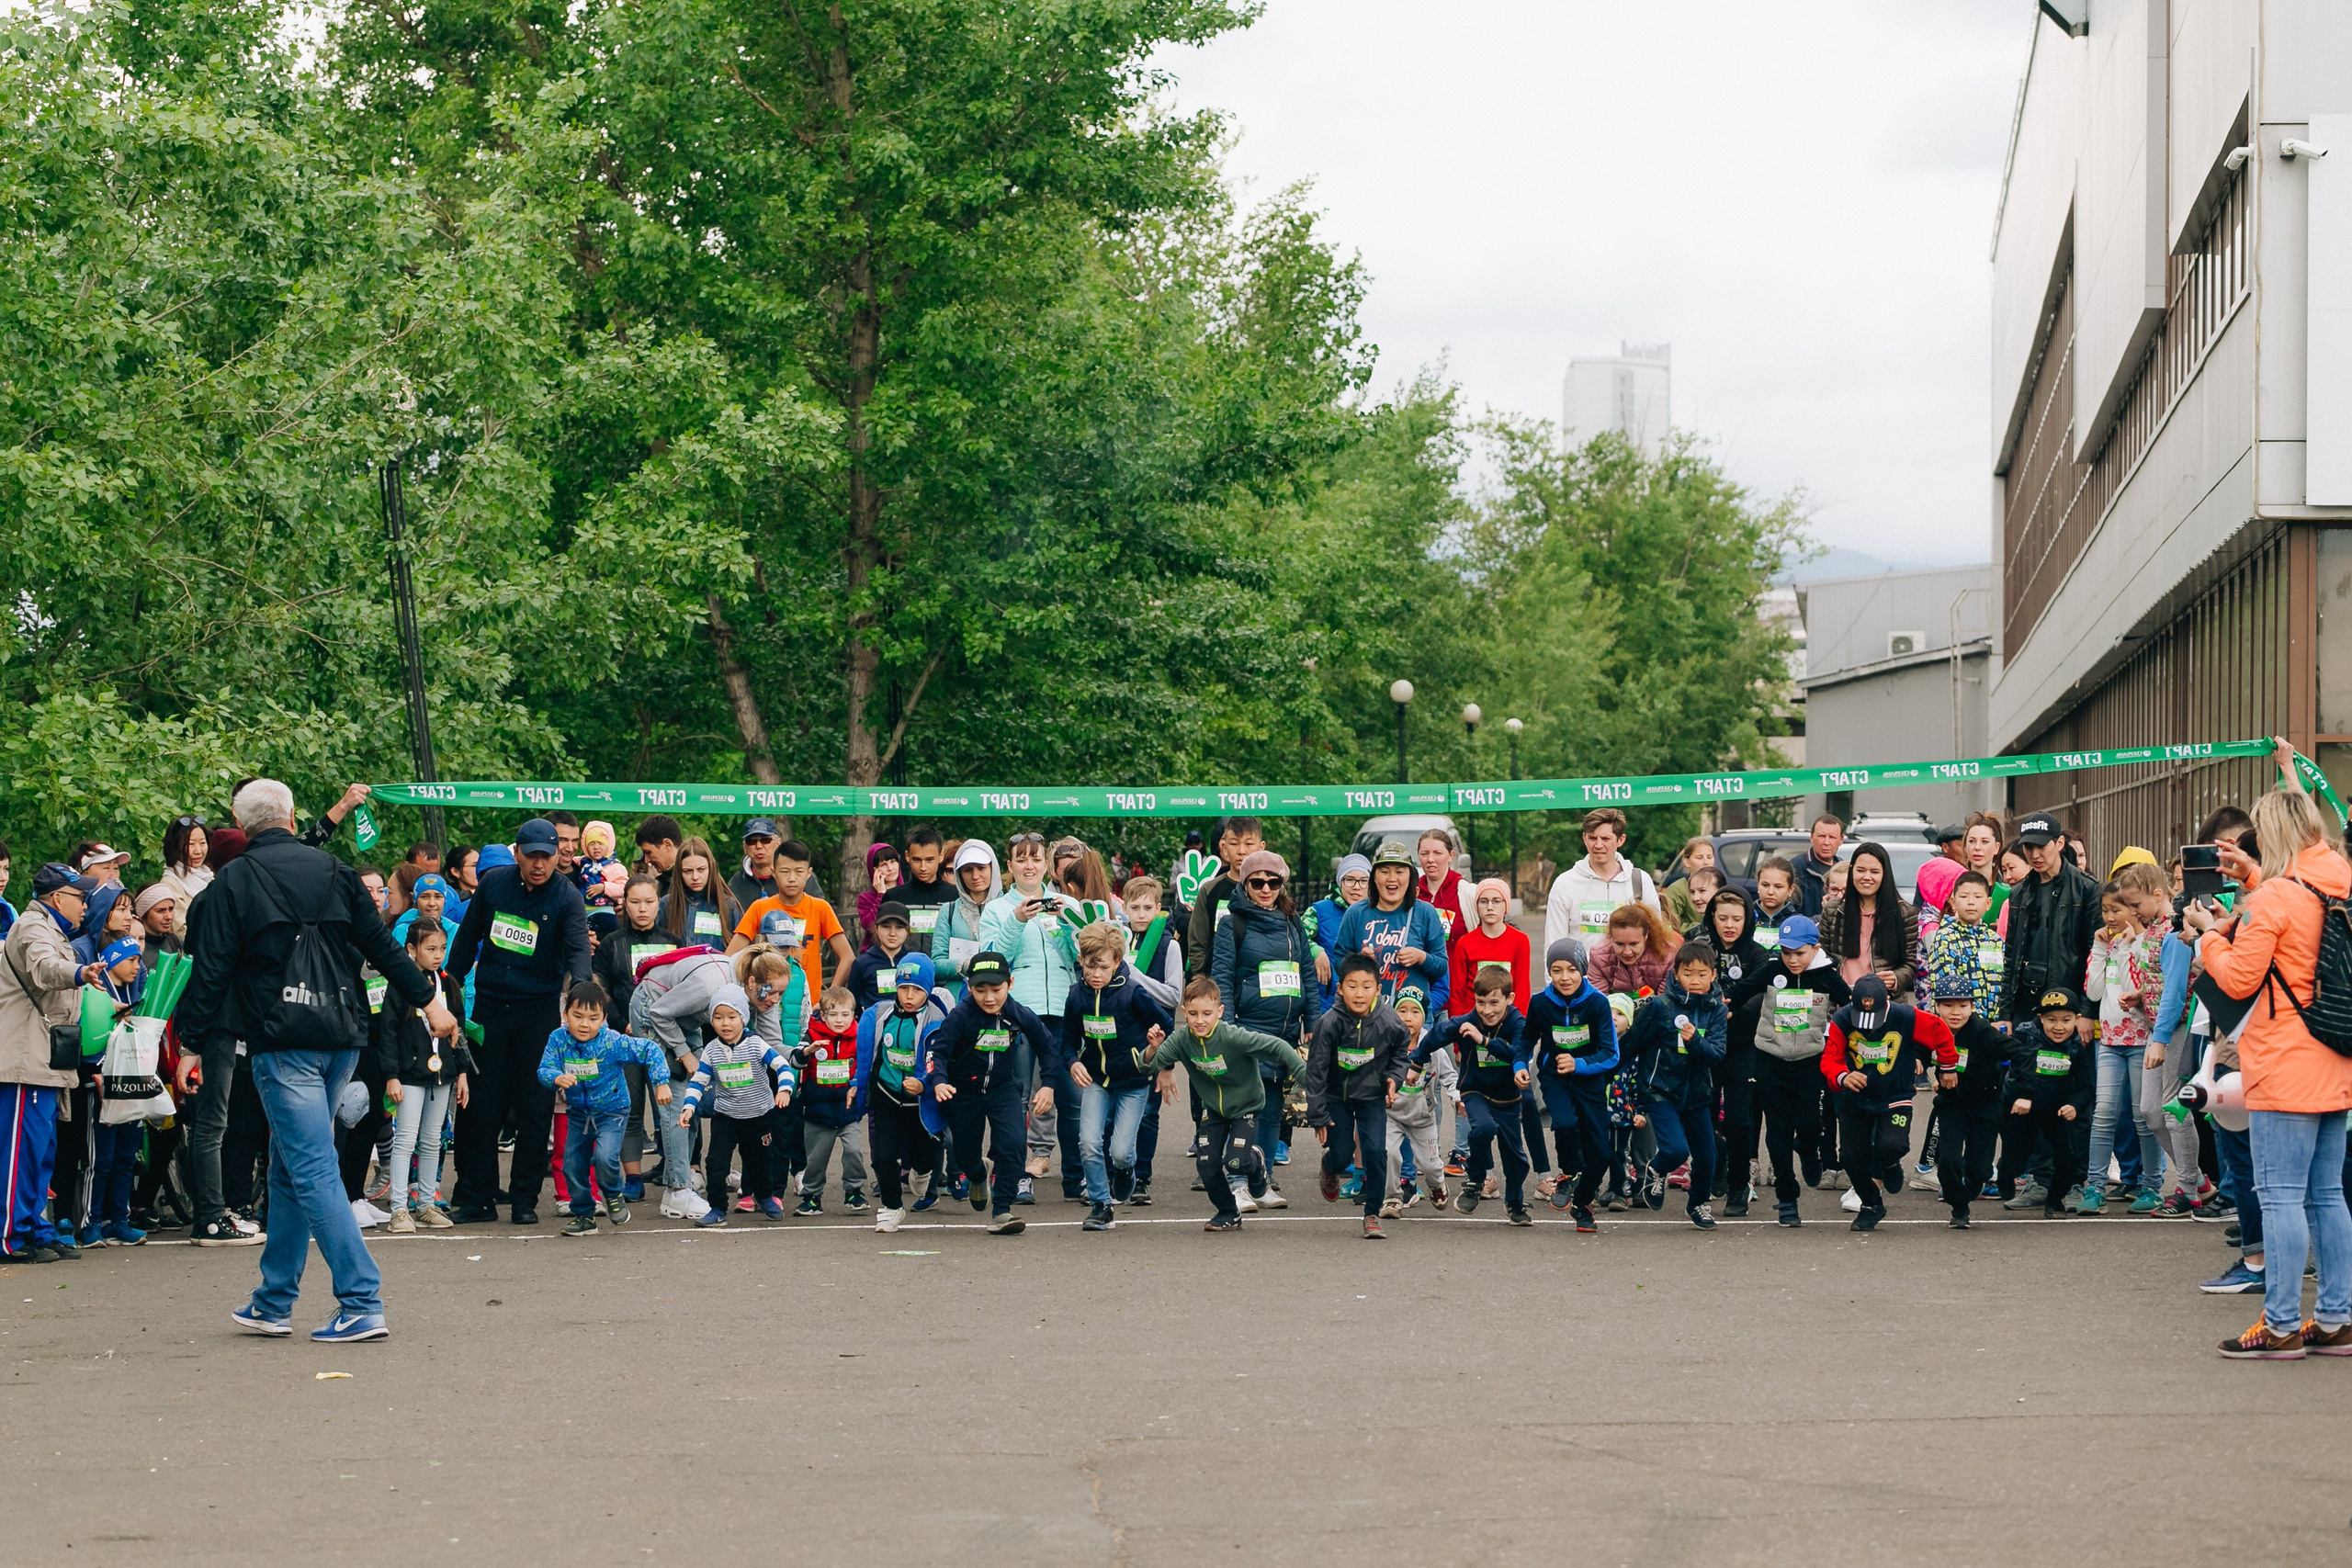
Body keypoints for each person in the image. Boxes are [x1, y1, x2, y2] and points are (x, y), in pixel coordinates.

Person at [178, 780, 457, 1341]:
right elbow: (381, 946)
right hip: (342, 1037)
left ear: (238, 819)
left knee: (310, 1166)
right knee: (290, 1166)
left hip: (282, 1043)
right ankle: (274, 1299)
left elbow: (209, 972)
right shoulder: (334, 872)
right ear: (291, 815)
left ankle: (361, 1300)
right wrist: (431, 1001)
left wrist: (190, 1042)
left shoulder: (233, 881)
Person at [2187, 790, 2352, 1359]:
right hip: (2336, 1052)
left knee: (2280, 1194)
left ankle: (2280, 1324)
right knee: (2328, 1194)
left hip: (2284, 1059)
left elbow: (2236, 980)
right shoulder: (2339, 882)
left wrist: (2207, 936)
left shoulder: (2273, 899)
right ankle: (2336, 1318)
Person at [445, 817, 592, 1225]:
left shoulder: (566, 897)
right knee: (481, 1107)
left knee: (533, 1106)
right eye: (532, 857)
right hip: (490, 1010)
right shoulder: (493, 885)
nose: (540, 864)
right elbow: (467, 938)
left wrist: (580, 996)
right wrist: (447, 990)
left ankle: (525, 1199)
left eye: (547, 856)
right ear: (518, 854)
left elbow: (578, 950)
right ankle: (478, 1196)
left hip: (537, 1013)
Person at [0, 866, 113, 1263]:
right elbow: (46, 969)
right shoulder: (33, 927)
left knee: (41, 1150)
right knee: (19, 1153)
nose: (85, 904)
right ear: (57, 898)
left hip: (42, 1059)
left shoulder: (53, 928)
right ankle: (9, 1237)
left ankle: (35, 1229)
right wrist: (80, 972)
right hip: (22, 1058)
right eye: (79, 896)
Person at [1141, 976, 1306, 1233]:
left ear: (1219, 1012)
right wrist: (1152, 1049)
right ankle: (1228, 1212)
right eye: (1193, 1013)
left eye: (1207, 1013)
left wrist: (1308, 1079)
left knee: (1236, 1162)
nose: (1199, 1020)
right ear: (1183, 1012)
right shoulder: (1181, 1039)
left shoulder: (1234, 1037)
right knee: (1206, 1165)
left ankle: (1256, 1159)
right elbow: (1148, 1067)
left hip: (1246, 1106)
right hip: (1214, 1109)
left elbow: (1280, 1047)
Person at [1208, 850, 1320, 1212]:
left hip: (1286, 1033)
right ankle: (1238, 1182)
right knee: (1246, 1110)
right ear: (1246, 884)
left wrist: (1314, 1023)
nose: (1266, 888)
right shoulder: (1232, 923)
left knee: (1272, 1111)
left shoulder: (1292, 923)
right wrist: (1227, 1027)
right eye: (1258, 882)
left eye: (1273, 882)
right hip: (1248, 1030)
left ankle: (1264, 1181)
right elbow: (1221, 975)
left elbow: (1307, 975)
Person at [976, 833, 1084, 1201]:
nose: (1029, 865)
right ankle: (1014, 1176)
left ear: (1047, 865)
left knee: (1071, 1098)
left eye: (1035, 859)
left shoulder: (1067, 902)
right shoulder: (997, 910)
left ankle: (1076, 1177)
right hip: (1018, 1013)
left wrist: (1068, 923)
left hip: (1064, 1010)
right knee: (1017, 1096)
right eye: (1021, 859)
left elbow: (1080, 957)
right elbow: (991, 960)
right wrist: (1017, 921)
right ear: (1009, 867)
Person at [922, 950, 1058, 1235]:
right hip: (963, 1093)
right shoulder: (961, 1016)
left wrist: (1048, 1085)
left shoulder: (1018, 1013)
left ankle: (1003, 1211)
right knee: (965, 1156)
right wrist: (938, 1081)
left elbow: (1047, 1046)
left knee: (1013, 1145)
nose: (989, 998)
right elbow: (938, 1052)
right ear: (969, 987)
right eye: (980, 990)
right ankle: (977, 1175)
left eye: (996, 989)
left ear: (1010, 983)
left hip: (1002, 1089)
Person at [1820, 974, 1956, 1233]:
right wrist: (1843, 1076)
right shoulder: (1841, 1019)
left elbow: (1941, 1033)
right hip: (1856, 1097)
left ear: (1888, 1001)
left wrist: (1947, 1067)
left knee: (1891, 1145)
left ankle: (1890, 1164)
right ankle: (1871, 1204)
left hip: (1895, 1094)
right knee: (1850, 1156)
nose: (1869, 1027)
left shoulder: (1907, 1016)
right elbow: (1830, 1060)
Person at [1061, 921, 1174, 1230]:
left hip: (1133, 1082)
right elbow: (1067, 1041)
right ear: (1081, 961)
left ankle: (1126, 1170)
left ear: (1117, 963)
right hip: (1097, 1080)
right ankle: (1100, 1204)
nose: (1096, 974)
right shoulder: (1076, 996)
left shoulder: (1132, 993)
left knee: (1121, 1152)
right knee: (1088, 1142)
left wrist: (1158, 1049)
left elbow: (1167, 1025)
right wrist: (1073, 1062)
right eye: (1090, 965)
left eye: (1104, 966)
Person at [537, 979, 667, 1236]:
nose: (585, 1024)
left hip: (612, 1111)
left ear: (604, 1018)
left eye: (593, 1018)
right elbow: (544, 1068)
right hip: (578, 1113)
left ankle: (612, 1193)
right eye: (577, 1016)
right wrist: (555, 1077)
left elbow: (650, 1049)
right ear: (566, 1014)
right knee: (572, 1166)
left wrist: (661, 1082)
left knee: (605, 1158)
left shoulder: (612, 1042)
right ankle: (584, 1215)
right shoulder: (558, 1039)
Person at [1302, 953, 1414, 1239]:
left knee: (1376, 1153)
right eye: (1352, 986)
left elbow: (1402, 1049)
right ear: (1339, 989)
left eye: (1367, 986)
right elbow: (1315, 1071)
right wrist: (1318, 1114)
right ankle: (1328, 1168)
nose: (1359, 993)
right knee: (1340, 1155)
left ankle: (1372, 1214)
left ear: (1378, 989)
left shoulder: (1389, 1021)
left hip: (1371, 1097)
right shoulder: (1329, 1023)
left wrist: (1394, 1078)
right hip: (1336, 1098)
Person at [374, 921, 472, 1234]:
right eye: (430, 949)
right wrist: (391, 1075)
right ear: (411, 950)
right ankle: (400, 1208)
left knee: (432, 1140)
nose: (438, 955)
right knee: (405, 1141)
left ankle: (427, 1203)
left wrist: (462, 1073)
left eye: (442, 948)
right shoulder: (401, 986)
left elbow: (459, 1032)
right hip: (408, 1075)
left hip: (442, 1074)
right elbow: (387, 1033)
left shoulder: (449, 985)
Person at [1623, 941, 1729, 1229]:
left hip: (1696, 1093)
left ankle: (1697, 1204)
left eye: (1701, 974)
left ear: (1713, 975)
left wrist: (1695, 1040)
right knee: (1676, 1151)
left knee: (1708, 1155)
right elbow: (1631, 1044)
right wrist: (1606, 1074)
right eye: (1687, 973)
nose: (1694, 981)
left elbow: (1716, 1054)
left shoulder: (1717, 1011)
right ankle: (1655, 1170)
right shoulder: (1660, 1006)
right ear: (1676, 974)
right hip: (1660, 1089)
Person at [1415, 968, 1532, 1225]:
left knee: (1517, 1159)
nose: (1487, 1010)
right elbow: (1435, 1035)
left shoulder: (1517, 1023)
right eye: (1481, 1002)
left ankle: (1514, 1203)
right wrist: (1416, 1061)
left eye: (1494, 1002)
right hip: (1475, 1090)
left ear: (1509, 998)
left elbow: (1518, 1053)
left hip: (1508, 1097)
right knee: (1482, 1128)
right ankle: (1475, 1180)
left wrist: (1485, 1041)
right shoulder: (1467, 1021)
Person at [673, 984, 797, 1225]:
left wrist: (784, 1089)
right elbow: (699, 1081)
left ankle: (765, 1197)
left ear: (743, 1017)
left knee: (760, 1162)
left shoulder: (756, 1044)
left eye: (731, 1017)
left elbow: (783, 1067)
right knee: (716, 1163)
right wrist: (688, 1107)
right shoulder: (711, 1050)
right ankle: (717, 1208)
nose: (725, 1024)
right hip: (726, 1118)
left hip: (759, 1116)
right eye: (718, 1018)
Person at [2078, 873, 2165, 1214]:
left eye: (2119, 909)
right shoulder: (2107, 945)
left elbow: (2141, 981)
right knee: (2103, 1115)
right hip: (2110, 1041)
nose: (2111, 917)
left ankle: (2153, 1186)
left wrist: (2135, 942)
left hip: (2142, 1041)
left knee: (2142, 1115)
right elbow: (2094, 991)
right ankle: (2095, 1187)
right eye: (2106, 911)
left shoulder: (2144, 942)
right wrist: (2101, 948)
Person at [1756, 915, 1850, 1224]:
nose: (1792, 960)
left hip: (1812, 1060)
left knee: (1811, 1125)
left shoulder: (1826, 975)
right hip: (1772, 1059)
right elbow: (1739, 993)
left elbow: (1850, 1004)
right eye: (1786, 952)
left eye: (1799, 953)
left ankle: (1809, 1152)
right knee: (1778, 1132)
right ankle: (1787, 1198)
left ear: (1815, 948)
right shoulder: (1772, 971)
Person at [855, 952, 952, 1232]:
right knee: (883, 1156)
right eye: (904, 988)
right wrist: (856, 1087)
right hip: (887, 1095)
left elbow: (940, 1060)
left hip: (921, 1102)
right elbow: (865, 1057)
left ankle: (923, 1171)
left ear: (929, 990)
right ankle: (892, 1206)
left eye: (918, 990)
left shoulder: (938, 1020)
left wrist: (923, 1082)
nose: (909, 996)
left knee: (923, 1156)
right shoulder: (878, 1015)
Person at [1996, 987, 2095, 1221]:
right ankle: (2004, 1174)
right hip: (2019, 1108)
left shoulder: (2077, 1047)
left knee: (2067, 1158)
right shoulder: (2024, 1035)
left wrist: (2075, 1105)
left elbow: (2086, 1086)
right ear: (2040, 1018)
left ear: (2077, 1020)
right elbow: (2005, 1064)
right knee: (2017, 1158)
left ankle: (2054, 1201)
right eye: (2051, 1020)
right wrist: (2019, 1096)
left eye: (2066, 1020)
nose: (2058, 1027)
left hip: (2054, 1110)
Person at [1703, 888, 1774, 1215]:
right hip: (1704, 1045)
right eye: (1722, 918)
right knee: (1701, 1114)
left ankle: (1737, 1187)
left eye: (1736, 918)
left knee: (1738, 1119)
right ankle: (1714, 1164)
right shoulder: (1699, 949)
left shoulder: (1758, 955)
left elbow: (1764, 997)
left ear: (1747, 919)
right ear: (1712, 918)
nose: (1729, 925)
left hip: (1743, 1045)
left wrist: (1737, 1011)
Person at [2001, 812, 2101, 1032]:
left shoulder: (2086, 888)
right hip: (2026, 1000)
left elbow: (2096, 953)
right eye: (2028, 848)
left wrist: (2086, 1011)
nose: (2035, 855)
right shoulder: (2019, 892)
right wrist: (2005, 1014)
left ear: (2059, 843)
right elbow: (2011, 955)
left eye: (2042, 846)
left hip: (2068, 1002)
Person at [729, 839, 853, 1010]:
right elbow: (731, 956)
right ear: (773, 872)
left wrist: (827, 998)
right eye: (785, 871)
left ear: (809, 873)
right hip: (765, 1005)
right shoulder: (760, 907)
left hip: (809, 1007)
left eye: (799, 871)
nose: (792, 878)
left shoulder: (820, 908)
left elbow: (847, 957)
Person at [1928, 974, 2010, 1228]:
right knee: (1949, 1162)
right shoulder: (1930, 1028)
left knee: (1980, 1169)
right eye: (1948, 1005)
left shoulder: (1984, 1032)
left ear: (1972, 1007)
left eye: (1963, 1005)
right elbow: (1913, 1049)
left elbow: (2019, 1054)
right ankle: (1959, 1208)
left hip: (1986, 1103)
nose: (1956, 1012)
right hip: (1952, 1104)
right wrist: (1918, 1065)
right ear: (1937, 1007)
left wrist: (2024, 1091)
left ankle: (1976, 1184)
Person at [1334, 842, 1448, 1008]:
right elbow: (1338, 961)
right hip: (1367, 1013)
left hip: (1411, 1014)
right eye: (1384, 871)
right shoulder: (1355, 913)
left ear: (1410, 877)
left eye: (1400, 872)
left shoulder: (1425, 912)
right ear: (1373, 876)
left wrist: (1421, 957)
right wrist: (1358, 960)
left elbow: (1441, 967)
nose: (1392, 878)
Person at [1544, 807, 1662, 956]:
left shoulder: (1640, 881)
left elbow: (1656, 937)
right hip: (1583, 978)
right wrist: (1553, 979)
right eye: (1593, 838)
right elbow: (1553, 944)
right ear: (1584, 839)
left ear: (1621, 840)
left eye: (1605, 839)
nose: (1598, 845)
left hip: (1630, 977)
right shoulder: (1565, 884)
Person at [795, 986, 872, 1214]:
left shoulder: (860, 1037)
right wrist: (808, 1051)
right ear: (823, 1015)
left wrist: (858, 1085)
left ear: (853, 1015)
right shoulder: (812, 1035)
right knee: (816, 1159)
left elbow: (866, 1066)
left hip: (848, 1110)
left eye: (845, 1014)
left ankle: (854, 1192)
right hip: (817, 1110)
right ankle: (812, 1197)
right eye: (833, 1014)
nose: (839, 1020)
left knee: (854, 1151)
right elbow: (795, 1060)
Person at [1381, 985, 1453, 1215]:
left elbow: (1450, 1077)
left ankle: (1436, 1184)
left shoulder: (1432, 1047)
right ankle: (1392, 1197)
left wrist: (1457, 1097)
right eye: (1402, 1011)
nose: (1408, 1018)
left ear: (1424, 1017)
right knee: (1389, 1154)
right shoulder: (1386, 1044)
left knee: (1430, 1166)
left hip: (1423, 1118)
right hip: (1392, 1115)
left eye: (1415, 1012)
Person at [1818, 841, 1917, 994]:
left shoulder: (1904, 913)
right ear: (1852, 872)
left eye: (1875, 872)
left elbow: (1911, 963)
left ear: (1885, 874)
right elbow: (1821, 957)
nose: (1867, 877)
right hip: (1841, 1002)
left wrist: (1896, 978)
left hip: (1884, 1002)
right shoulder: (1833, 910)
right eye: (1861, 870)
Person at [1184, 817, 1265, 979]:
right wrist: (1203, 976)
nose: (1241, 851)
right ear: (1224, 847)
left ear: (1261, 847)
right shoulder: (1209, 890)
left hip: (1259, 983)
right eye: (1234, 844)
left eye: (1249, 844)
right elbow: (1197, 944)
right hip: (1216, 982)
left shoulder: (1271, 889)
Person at [1448, 877, 1530, 1018]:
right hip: (1472, 1019)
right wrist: (1457, 1029)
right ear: (1477, 906)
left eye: (1497, 901)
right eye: (1484, 901)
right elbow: (1457, 993)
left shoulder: (1520, 940)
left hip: (1507, 1020)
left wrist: (1519, 1028)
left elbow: (1522, 990)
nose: (1490, 907)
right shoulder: (1465, 943)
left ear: (1506, 905)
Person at [928, 840, 1001, 992]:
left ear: (992, 868)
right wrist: (968, 965)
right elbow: (936, 963)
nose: (975, 876)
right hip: (959, 997)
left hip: (1000, 994)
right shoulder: (948, 911)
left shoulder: (1010, 908)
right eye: (967, 870)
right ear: (959, 874)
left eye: (981, 868)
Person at [1308, 855, 1371, 1007]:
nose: (1356, 887)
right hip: (1327, 1004)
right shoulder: (1318, 911)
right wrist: (1315, 950)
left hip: (1367, 1004)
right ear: (1339, 881)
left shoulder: (1378, 912)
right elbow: (1295, 937)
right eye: (1349, 880)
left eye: (1363, 881)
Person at [660, 837, 739, 949]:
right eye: (688, 871)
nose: (695, 877)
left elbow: (741, 954)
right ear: (679, 872)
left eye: (701, 869)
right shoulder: (667, 904)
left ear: (710, 868)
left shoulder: (728, 905)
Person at [1586, 903, 1673, 998]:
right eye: (1620, 944)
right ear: (1611, 937)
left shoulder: (1667, 955)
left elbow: (1665, 1003)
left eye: (1634, 944)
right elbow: (1600, 1003)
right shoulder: (1598, 956)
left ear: (1646, 936)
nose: (1627, 952)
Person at [845, 901, 918, 1010]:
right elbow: (853, 1003)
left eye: (899, 927)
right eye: (886, 927)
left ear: (908, 930)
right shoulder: (862, 963)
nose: (892, 933)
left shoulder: (916, 962)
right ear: (876, 929)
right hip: (874, 1024)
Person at [157, 816, 213, 938]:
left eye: (202, 843)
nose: (198, 850)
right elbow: (181, 930)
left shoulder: (209, 878)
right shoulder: (170, 884)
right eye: (191, 844)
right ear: (175, 847)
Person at [1416, 828, 1471, 946]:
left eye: (1438, 853)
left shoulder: (1468, 893)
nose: (1430, 859)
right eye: (1424, 854)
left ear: (1451, 856)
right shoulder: (1410, 894)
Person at [728, 818, 785, 912]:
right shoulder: (735, 883)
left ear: (778, 843)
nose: (758, 846)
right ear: (745, 847)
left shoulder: (796, 877)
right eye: (751, 841)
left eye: (765, 840)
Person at [1793, 814, 1845, 917]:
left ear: (1841, 840)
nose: (1826, 842)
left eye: (1832, 837)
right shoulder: (1796, 868)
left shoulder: (1844, 870)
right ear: (1812, 837)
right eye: (1822, 836)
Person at [855, 841, 904, 945]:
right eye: (883, 865)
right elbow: (869, 926)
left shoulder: (908, 892)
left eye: (893, 861)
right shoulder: (865, 898)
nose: (890, 868)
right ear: (874, 870)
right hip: (876, 951)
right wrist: (881, 895)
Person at [632, 816, 685, 887]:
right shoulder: (664, 882)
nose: (646, 861)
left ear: (667, 845)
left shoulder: (691, 882)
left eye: (648, 853)